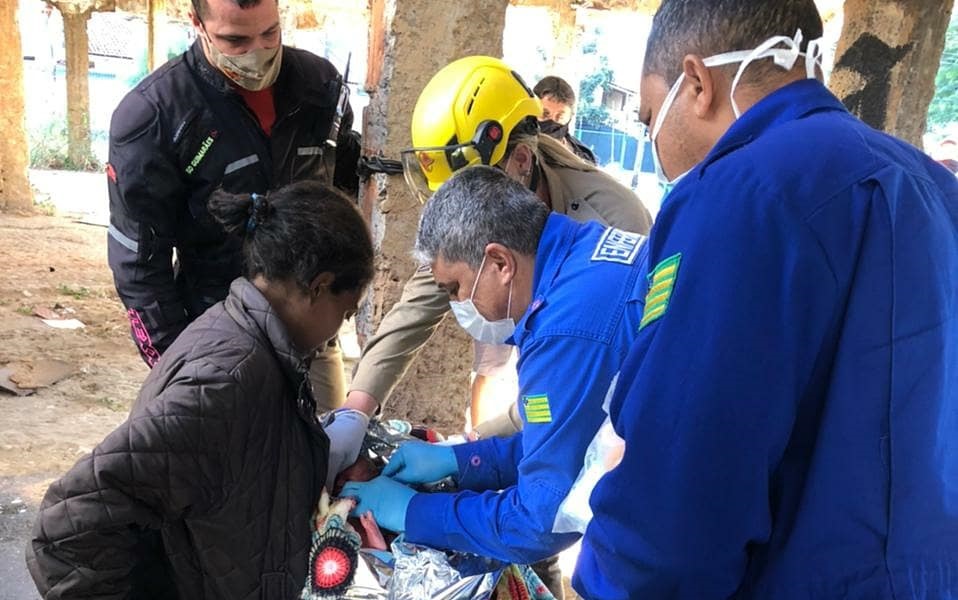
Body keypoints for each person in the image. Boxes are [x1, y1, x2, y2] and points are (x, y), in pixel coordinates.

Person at [572, 1, 958, 598]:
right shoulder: (934, 188)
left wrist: (612, 581)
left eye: (649, 117)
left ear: (696, 83)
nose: (653, 138)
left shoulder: (740, 191)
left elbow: (682, 492)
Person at [26, 181, 374, 599]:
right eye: (346, 312)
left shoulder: (257, 349)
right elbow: (66, 530)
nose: (339, 329)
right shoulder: (228, 380)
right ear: (319, 287)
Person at [340, 165, 649, 570]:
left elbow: (541, 522)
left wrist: (414, 512)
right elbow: (569, 440)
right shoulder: (581, 254)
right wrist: (461, 461)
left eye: (456, 289)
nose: (457, 307)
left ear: (500, 263)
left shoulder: (564, 329)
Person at [106, 0, 360, 410]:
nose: (256, 53)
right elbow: (138, 265)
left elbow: (346, 187)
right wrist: (179, 366)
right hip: (215, 336)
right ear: (197, 24)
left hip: (313, 333)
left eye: (270, 34)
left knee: (326, 460)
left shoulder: (319, 86)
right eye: (235, 40)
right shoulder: (153, 116)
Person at [533, 75, 598, 164]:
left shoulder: (585, 157)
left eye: (560, 117)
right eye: (545, 114)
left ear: (570, 116)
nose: (552, 121)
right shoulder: (516, 149)